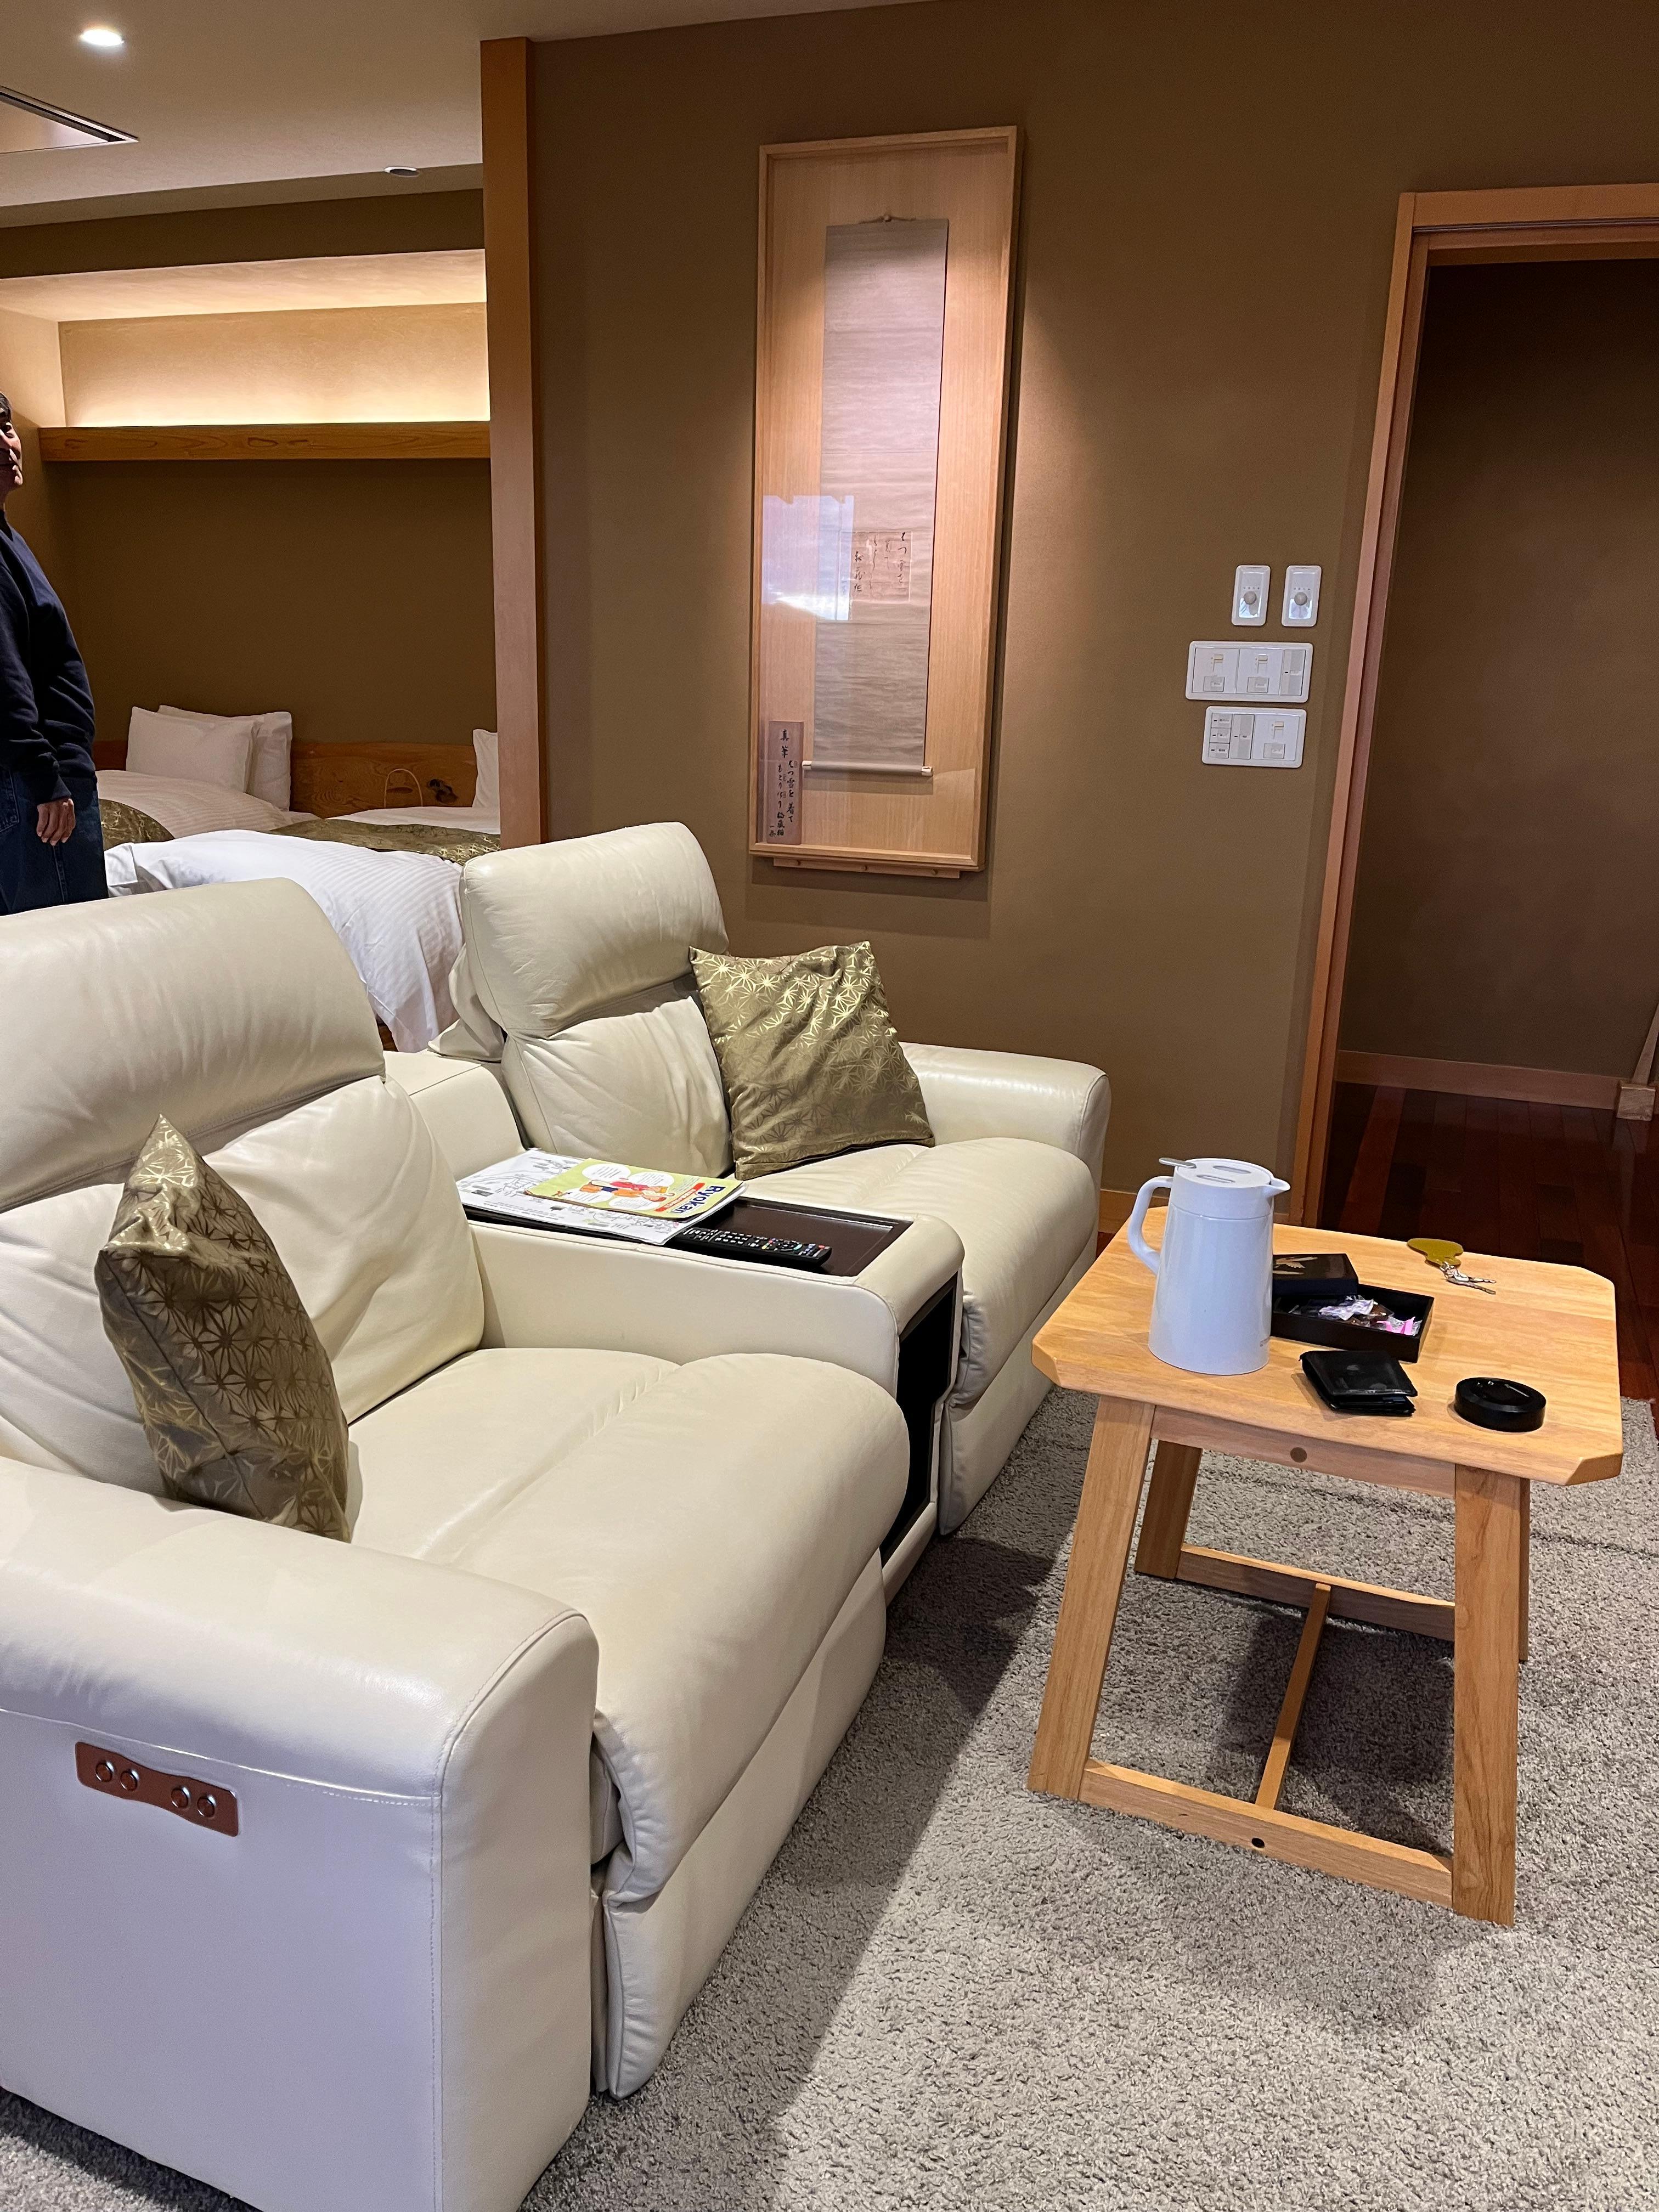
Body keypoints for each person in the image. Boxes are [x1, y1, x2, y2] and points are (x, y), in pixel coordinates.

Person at [0, 390, 106, 912]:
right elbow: (4, 679)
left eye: (6, 428)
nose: (5, 444)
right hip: (34, 787)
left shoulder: (10, 539)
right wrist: (47, 779)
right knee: (72, 951)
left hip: (40, 780)